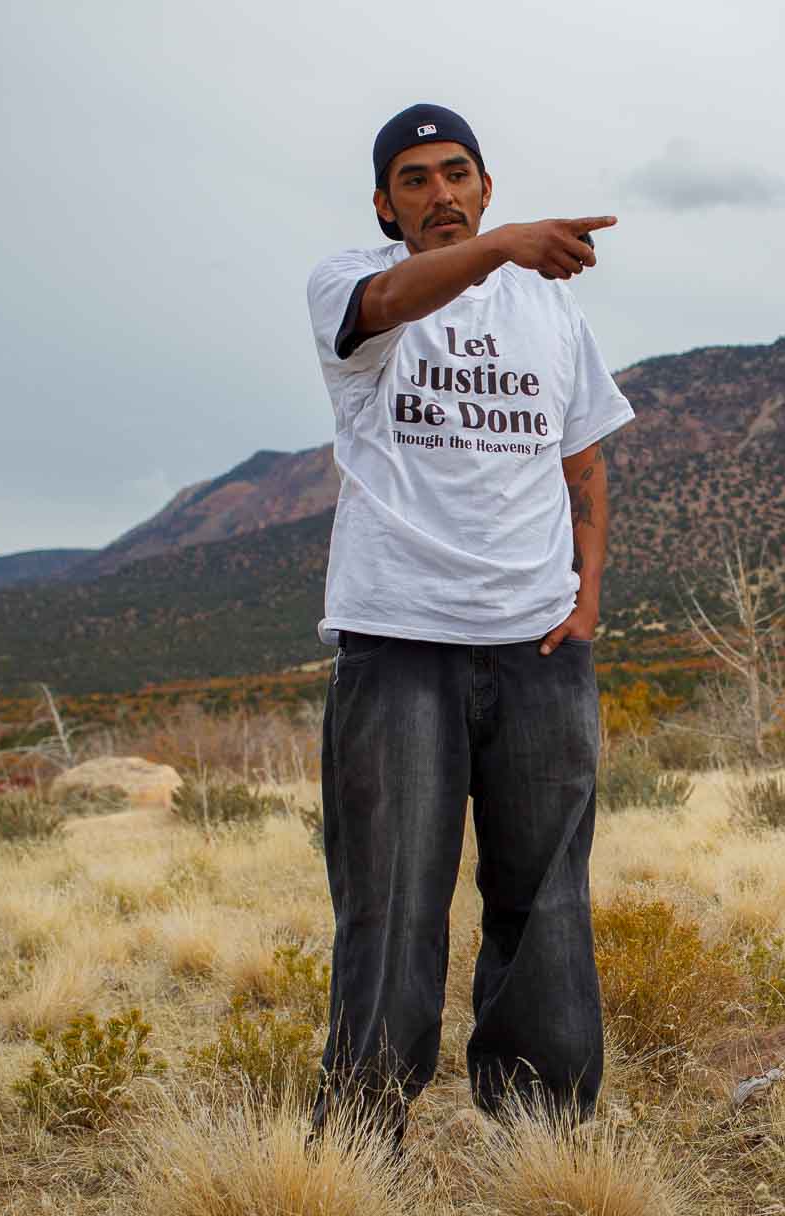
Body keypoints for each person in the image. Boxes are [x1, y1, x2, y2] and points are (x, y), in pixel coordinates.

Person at [304, 103, 632, 1144]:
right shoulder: (354, 286)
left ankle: (543, 1131)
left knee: (545, 898)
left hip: (536, 648)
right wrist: (498, 249)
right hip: (399, 643)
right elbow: (386, 298)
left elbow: (582, 457)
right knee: (392, 898)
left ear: (485, 183)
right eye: (415, 179)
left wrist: (584, 602)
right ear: (384, 204)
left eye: (458, 173)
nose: (440, 192)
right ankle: (362, 1133)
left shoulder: (550, 313)